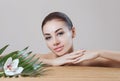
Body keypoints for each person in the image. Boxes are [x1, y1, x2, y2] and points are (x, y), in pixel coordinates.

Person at [38, 12, 120, 67]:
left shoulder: (87, 61)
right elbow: (24, 65)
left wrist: (100, 53)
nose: (55, 42)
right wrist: (53, 62)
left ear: (73, 32)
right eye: (48, 37)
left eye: (60, 33)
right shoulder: (44, 59)